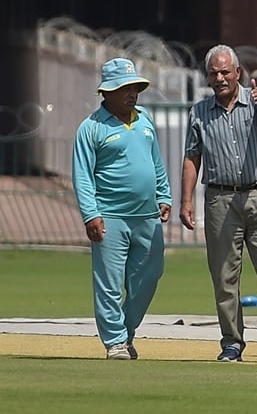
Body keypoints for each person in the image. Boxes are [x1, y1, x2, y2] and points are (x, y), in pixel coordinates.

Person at [178, 44, 257, 362]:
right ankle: (232, 342)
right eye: (214, 73)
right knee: (224, 274)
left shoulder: (255, 101)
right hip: (220, 198)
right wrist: (186, 199)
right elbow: (192, 156)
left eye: (225, 72)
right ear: (208, 77)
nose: (220, 78)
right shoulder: (199, 112)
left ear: (238, 73)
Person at [71, 57, 172, 360]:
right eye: (125, 89)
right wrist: (91, 214)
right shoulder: (91, 128)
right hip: (110, 216)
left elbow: (156, 161)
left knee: (150, 274)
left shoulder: (144, 120)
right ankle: (115, 341)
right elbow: (82, 176)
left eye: (135, 88)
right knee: (110, 283)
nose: (132, 94)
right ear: (107, 92)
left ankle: (125, 332)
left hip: (147, 215)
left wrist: (164, 194)